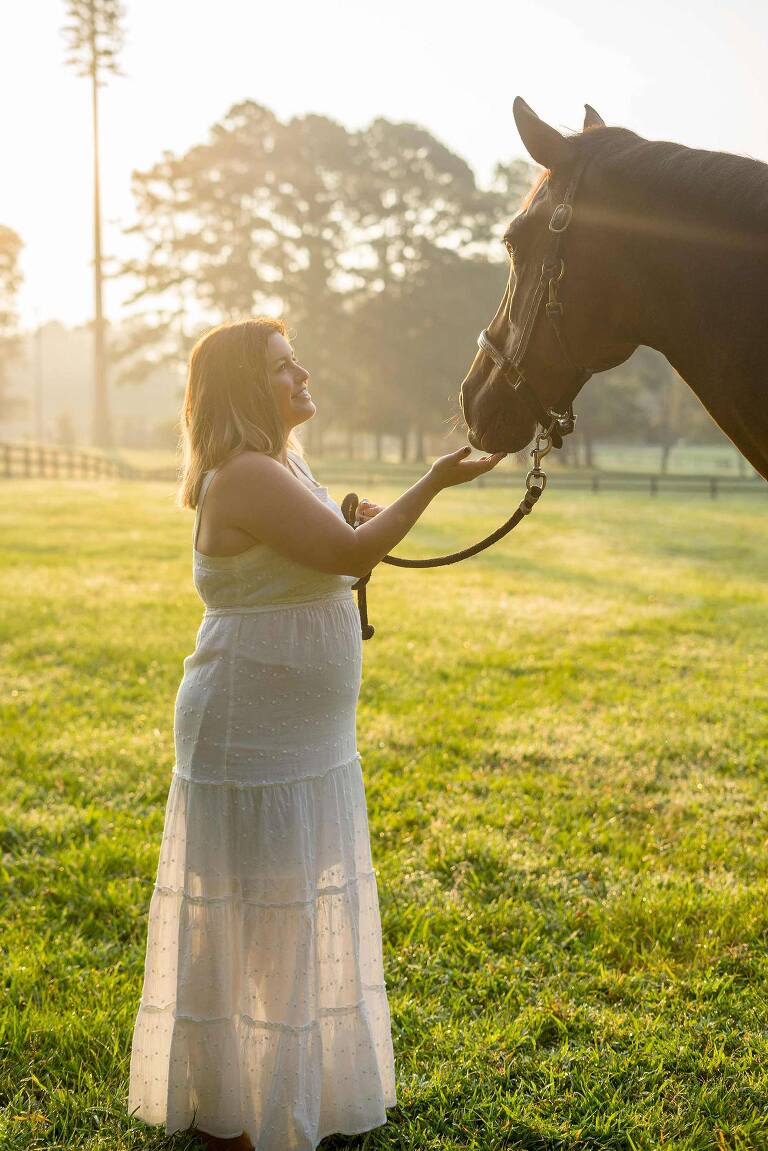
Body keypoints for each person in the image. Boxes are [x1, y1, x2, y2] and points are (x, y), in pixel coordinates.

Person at [127, 316, 505, 1151]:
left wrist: (350, 520)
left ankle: (276, 1093)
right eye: (281, 366)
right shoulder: (248, 473)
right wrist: (432, 481)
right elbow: (347, 554)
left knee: (288, 919)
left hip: (299, 741)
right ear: (244, 388)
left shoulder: (282, 465)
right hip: (253, 737)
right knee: (260, 922)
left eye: (297, 360)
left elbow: (332, 553)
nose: (302, 374)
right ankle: (230, 1107)